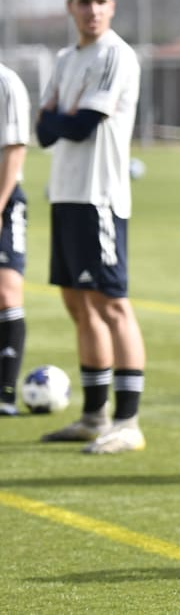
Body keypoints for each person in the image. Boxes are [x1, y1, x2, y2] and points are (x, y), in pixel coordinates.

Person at [35, 0, 147, 453]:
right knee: (77, 304)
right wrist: (64, 118)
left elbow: (80, 127)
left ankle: (129, 423)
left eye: (101, 0)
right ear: (70, 7)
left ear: (112, 5)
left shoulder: (115, 55)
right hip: (64, 194)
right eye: (84, 1)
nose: (93, 9)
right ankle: (94, 416)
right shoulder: (64, 59)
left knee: (112, 304)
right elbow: (44, 131)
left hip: (99, 197)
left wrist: (63, 117)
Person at [0, 61, 29, 416]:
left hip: (4, 202)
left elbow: (15, 147)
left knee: (7, 292)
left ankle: (5, 393)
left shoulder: (6, 82)